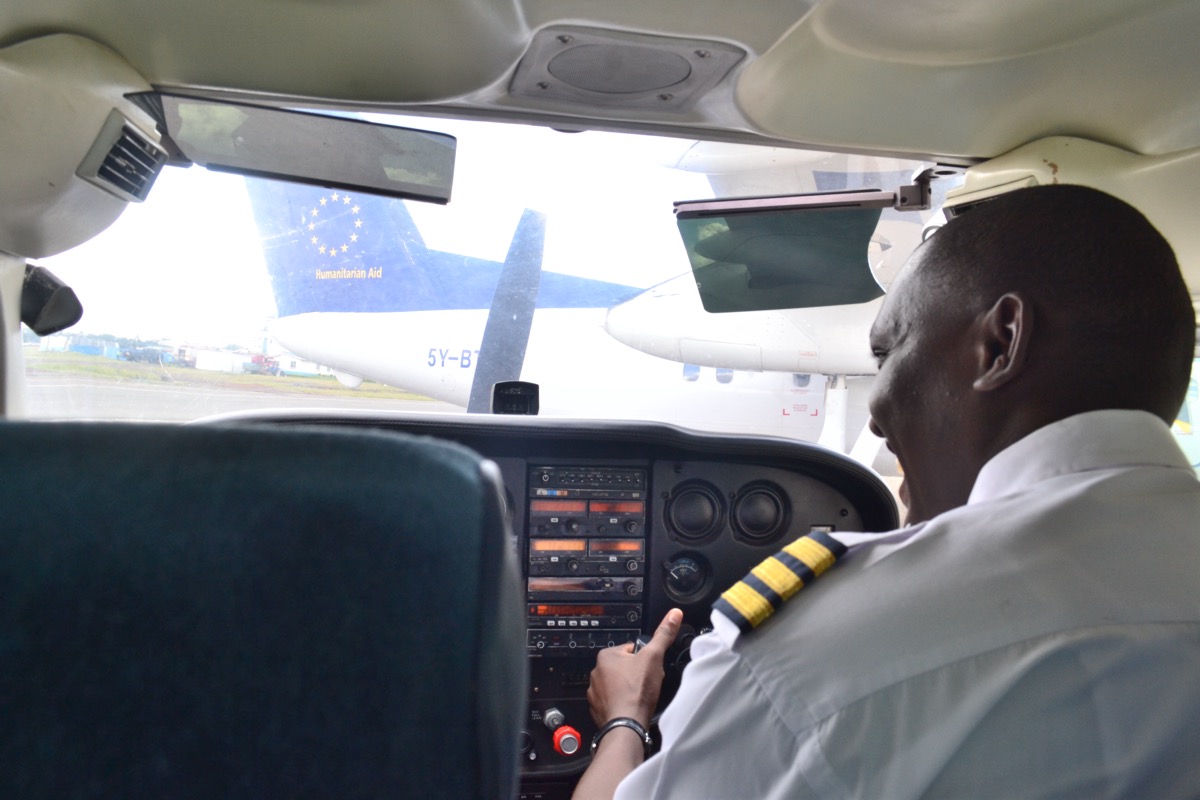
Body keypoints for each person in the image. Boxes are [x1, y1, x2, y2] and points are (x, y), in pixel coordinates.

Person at [573, 184, 1200, 799]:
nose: (875, 414)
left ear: (1001, 343)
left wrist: (626, 719)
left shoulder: (811, 656)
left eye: (889, 351)